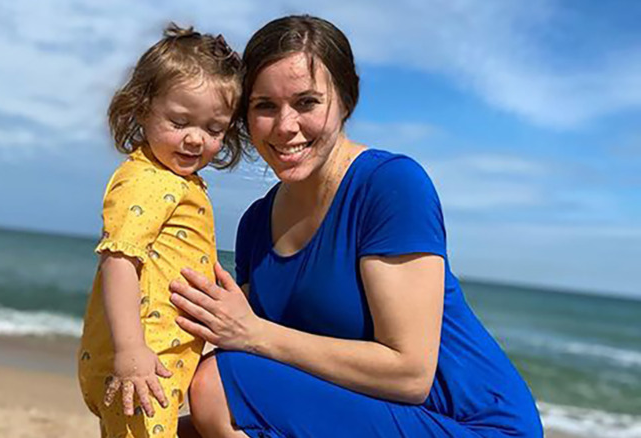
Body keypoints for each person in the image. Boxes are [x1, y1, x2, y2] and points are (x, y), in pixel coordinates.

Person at [169, 15, 544, 438]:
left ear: (347, 100)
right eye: (265, 106)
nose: (285, 125)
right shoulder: (256, 222)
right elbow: (251, 352)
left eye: (307, 102)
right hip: (378, 418)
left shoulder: (389, 185)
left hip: (472, 425)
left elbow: (410, 374)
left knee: (218, 382)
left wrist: (257, 335)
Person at [77, 23, 244, 438]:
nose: (194, 139)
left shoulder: (176, 180)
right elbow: (119, 261)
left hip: (157, 361)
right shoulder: (147, 180)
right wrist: (131, 351)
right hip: (142, 364)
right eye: (180, 120)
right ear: (142, 108)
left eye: (213, 129)